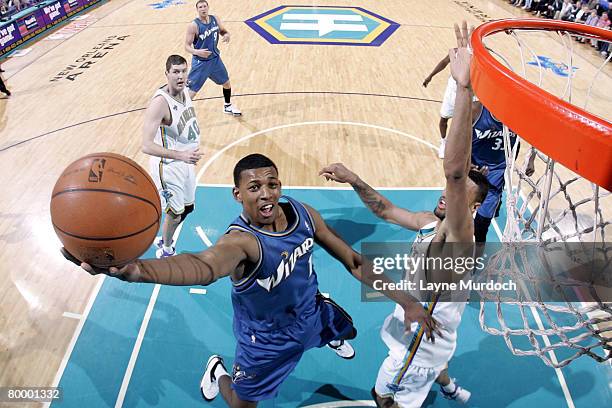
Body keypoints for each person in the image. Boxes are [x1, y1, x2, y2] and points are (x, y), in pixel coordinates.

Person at [62, 153, 439, 407]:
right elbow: (203, 266)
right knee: (243, 403)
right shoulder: (242, 242)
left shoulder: (303, 214)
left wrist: (406, 301)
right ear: (237, 194)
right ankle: (218, 370)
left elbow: (354, 261)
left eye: (272, 184)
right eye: (254, 188)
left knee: (347, 329)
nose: (266, 194)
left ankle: (327, 336)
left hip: (310, 313)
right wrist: (135, 270)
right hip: (266, 340)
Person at [321, 22, 488, 407]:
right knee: (440, 356)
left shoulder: (460, 240)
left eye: (458, 194)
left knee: (384, 397)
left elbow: (455, 172)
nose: (447, 194)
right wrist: (353, 178)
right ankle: (445, 384)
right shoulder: (431, 224)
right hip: (431, 327)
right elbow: (385, 208)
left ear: (472, 206)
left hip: (420, 342)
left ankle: (426, 384)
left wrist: (463, 88)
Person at [141, 54, 203, 258]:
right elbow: (146, 146)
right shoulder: (159, 103)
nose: (181, 75)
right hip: (168, 166)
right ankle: (166, 249)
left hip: (186, 162)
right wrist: (181, 155)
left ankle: (165, 236)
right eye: (176, 72)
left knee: (188, 208)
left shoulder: (185, 91)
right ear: (166, 73)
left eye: (184, 71)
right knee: (175, 213)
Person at [470, 101, 535, 243]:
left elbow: (535, 133)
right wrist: (467, 164)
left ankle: (475, 260)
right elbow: (458, 139)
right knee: (454, 215)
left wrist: (531, 159)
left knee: (481, 228)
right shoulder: (476, 110)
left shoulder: (518, 118)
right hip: (472, 171)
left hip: (497, 174)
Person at [185, 0, 241, 116]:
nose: (203, 9)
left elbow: (223, 31)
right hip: (201, 63)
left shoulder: (215, 19)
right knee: (192, 92)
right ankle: (178, 116)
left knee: (226, 83)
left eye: (205, 6)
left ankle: (228, 106)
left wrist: (226, 35)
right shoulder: (193, 25)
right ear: (197, 10)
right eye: (200, 7)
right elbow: (186, 46)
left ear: (208, 7)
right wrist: (197, 52)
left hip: (215, 60)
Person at [422, 55, 452, 159]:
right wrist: (430, 76)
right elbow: (444, 62)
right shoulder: (455, 52)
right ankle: (443, 142)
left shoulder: (476, 55)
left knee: (468, 122)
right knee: (444, 119)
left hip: (468, 91)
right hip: (452, 90)